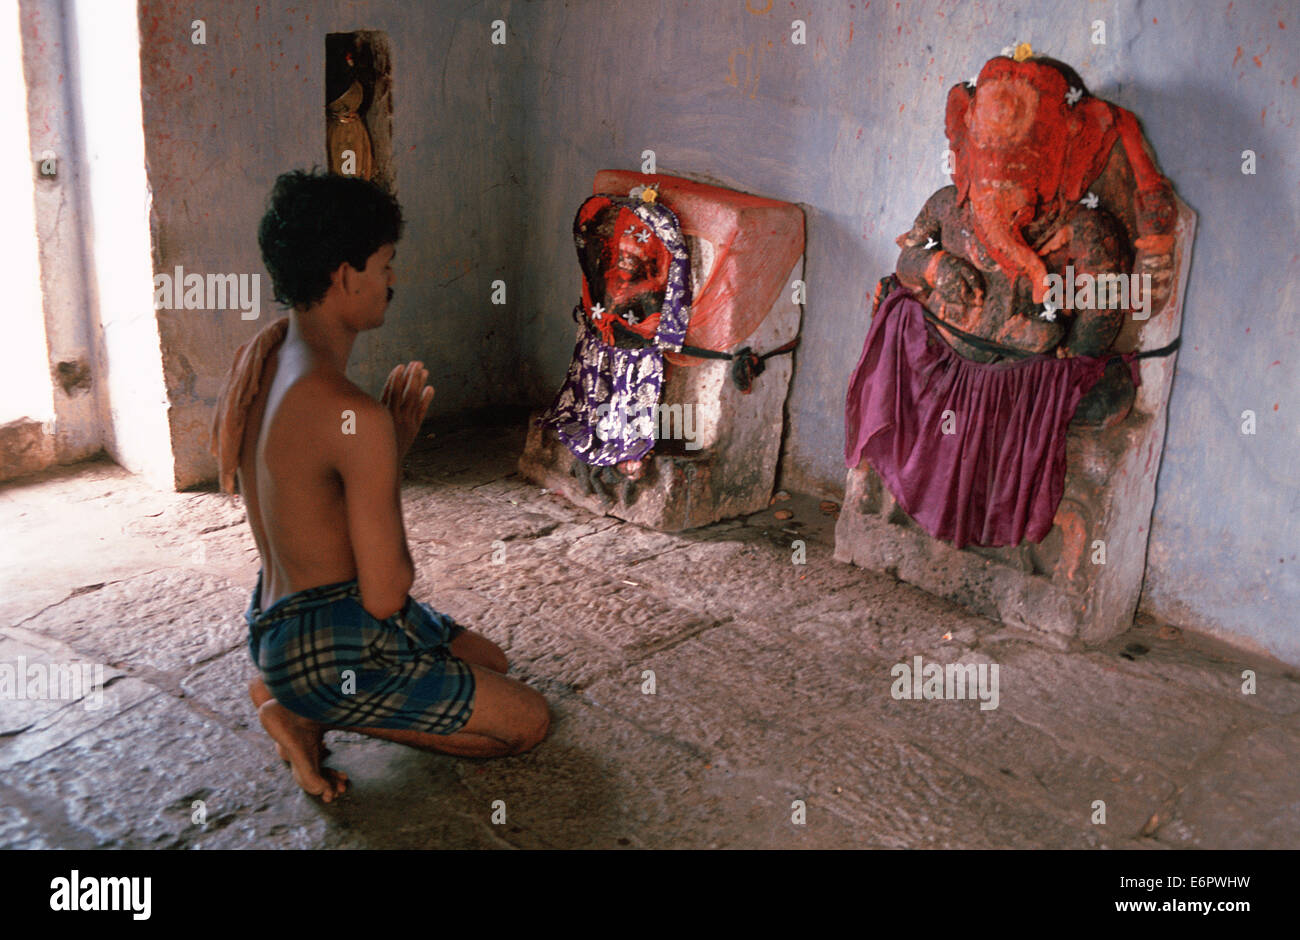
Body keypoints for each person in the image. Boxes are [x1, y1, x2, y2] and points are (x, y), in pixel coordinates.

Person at [212, 170, 548, 802]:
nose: (393, 280)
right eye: (386, 264)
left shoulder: (266, 352)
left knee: (491, 662)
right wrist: (382, 456)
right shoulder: (354, 417)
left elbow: (309, 492)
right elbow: (386, 595)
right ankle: (308, 708)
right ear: (346, 275)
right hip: (328, 640)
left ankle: (288, 691)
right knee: (526, 722)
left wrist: (384, 450)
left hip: (276, 617)